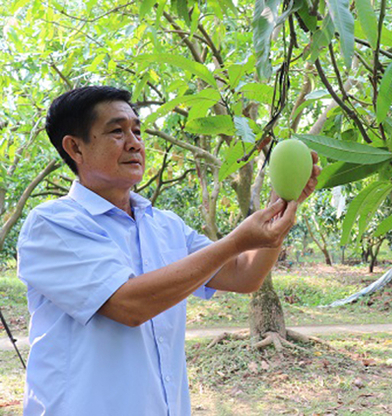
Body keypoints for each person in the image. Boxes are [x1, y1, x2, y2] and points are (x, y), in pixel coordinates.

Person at [16, 86, 320, 415]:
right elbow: (129, 304)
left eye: (137, 130)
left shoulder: (164, 225)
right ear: (75, 147)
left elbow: (244, 275)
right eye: (117, 131)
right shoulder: (51, 225)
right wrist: (235, 241)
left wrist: (283, 205)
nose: (134, 142)